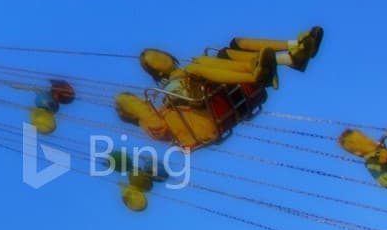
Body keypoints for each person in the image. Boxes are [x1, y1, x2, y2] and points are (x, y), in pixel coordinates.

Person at [113, 27, 322, 149]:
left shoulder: (190, 67)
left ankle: (293, 51)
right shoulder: (167, 93)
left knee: (235, 43)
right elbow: (167, 117)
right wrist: (138, 108)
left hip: (225, 90)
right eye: (156, 61)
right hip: (208, 105)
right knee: (199, 63)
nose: (162, 58)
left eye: (160, 54)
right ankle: (256, 74)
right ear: (156, 72)